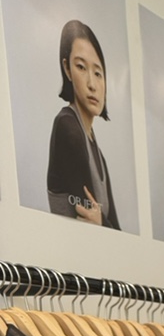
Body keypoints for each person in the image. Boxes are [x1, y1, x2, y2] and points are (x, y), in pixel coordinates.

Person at [47, 19, 120, 228]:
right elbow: (92, 222)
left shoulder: (98, 154)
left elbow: (114, 229)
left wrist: (103, 222)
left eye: (98, 73)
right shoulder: (67, 127)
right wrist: (104, 223)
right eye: (81, 67)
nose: (92, 84)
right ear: (67, 69)